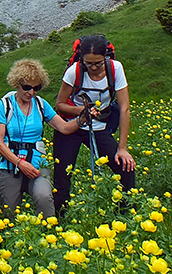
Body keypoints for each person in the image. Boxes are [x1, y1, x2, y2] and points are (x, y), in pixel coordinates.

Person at [53, 35, 136, 214]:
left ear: (105, 57)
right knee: (62, 176)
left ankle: (126, 214)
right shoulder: (74, 72)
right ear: (82, 60)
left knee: (125, 167)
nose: (93, 68)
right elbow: (60, 104)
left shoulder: (115, 69)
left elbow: (124, 108)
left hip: (98, 126)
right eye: (88, 63)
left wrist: (122, 148)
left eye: (97, 63)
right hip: (71, 126)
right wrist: (82, 111)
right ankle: (59, 219)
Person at [0, 59, 86, 219]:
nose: (31, 92)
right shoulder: (4, 105)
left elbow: (63, 127)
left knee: (44, 197)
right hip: (11, 164)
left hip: (37, 163)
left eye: (37, 88)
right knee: (9, 210)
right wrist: (20, 163)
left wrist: (81, 119)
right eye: (27, 87)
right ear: (17, 83)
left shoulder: (41, 104)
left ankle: (48, 232)